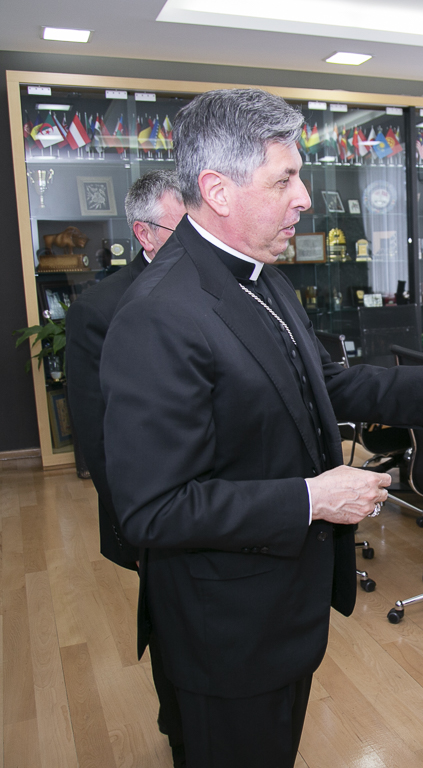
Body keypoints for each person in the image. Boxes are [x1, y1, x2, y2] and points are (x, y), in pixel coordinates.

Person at [99, 88, 423, 768]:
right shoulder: (159, 315)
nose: (304, 199)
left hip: (278, 615)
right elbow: (154, 509)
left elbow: (321, 384)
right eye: (284, 180)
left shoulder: (264, 277)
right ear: (218, 190)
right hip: (226, 634)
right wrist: (311, 498)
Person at [65, 170, 187, 767]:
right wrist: (133, 529)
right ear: (144, 233)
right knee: (171, 626)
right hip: (152, 511)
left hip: (220, 503)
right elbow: (99, 436)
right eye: (181, 229)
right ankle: (181, 729)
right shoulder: (100, 308)